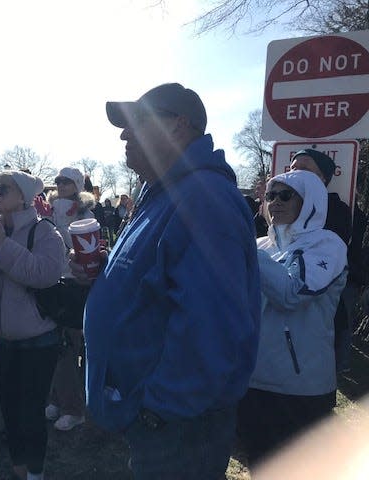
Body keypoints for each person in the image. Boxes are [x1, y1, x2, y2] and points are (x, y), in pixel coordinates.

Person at [83, 83, 260, 479]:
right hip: (162, 421)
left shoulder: (203, 197)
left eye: (136, 123)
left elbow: (212, 329)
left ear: (179, 126)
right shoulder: (162, 193)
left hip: (178, 426)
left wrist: (155, 409)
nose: (124, 134)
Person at [0, 170, 64, 480]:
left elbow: (43, 275)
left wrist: (2, 247)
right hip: (0, 339)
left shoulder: (45, 231)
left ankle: (35, 471)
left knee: (30, 412)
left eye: (4, 188)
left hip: (37, 339)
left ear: (24, 195)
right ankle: (19, 465)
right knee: (8, 408)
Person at [237, 170, 347, 465]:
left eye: (286, 195)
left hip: (302, 389)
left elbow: (291, 294)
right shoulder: (260, 245)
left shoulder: (328, 245)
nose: (275, 202)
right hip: (251, 384)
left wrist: (244, 248)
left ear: (310, 200)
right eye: (270, 195)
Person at [289, 149, 357, 373]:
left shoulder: (337, 209)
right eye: (292, 168)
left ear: (323, 178)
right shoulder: (279, 203)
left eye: (304, 169)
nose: (295, 173)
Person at [44, 167, 94, 432]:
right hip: (52, 281)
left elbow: (81, 249)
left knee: (67, 347)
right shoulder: (48, 208)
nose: (60, 185)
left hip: (75, 285)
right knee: (53, 346)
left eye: (66, 181)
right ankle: (57, 399)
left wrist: (58, 226)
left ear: (76, 185)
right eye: (58, 181)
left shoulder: (85, 212)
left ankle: (74, 409)